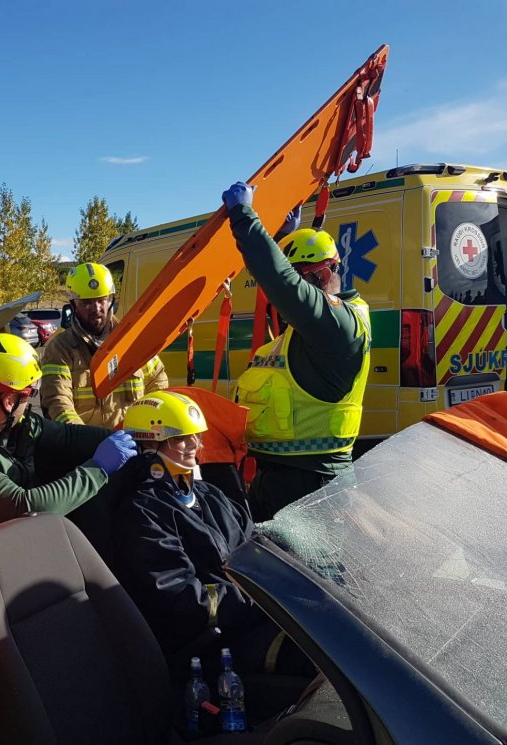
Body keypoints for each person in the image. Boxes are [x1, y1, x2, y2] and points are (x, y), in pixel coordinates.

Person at [113, 392, 311, 692]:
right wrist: (262, 598)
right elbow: (182, 599)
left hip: (253, 620)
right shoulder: (142, 512)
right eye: (181, 439)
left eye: (196, 436)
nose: (195, 445)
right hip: (210, 644)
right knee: (319, 660)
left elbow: (256, 546)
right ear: (149, 446)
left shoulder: (208, 494)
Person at [223, 182, 371, 521]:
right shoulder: (302, 333)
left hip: (315, 484)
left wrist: (244, 218)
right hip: (274, 477)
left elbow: (281, 281)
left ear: (327, 272)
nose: (301, 286)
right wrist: (289, 235)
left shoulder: (340, 326)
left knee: (311, 571)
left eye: (307, 276)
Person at [0, 332, 138, 528]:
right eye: (30, 394)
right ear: (10, 400)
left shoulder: (17, 424)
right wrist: (98, 469)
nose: (28, 404)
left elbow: (69, 437)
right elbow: (24, 507)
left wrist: (139, 438)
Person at [40, 261, 168, 427]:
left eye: (102, 300)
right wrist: (87, 441)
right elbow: (58, 402)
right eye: (87, 303)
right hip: (87, 448)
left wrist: (148, 428)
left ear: (111, 300)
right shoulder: (60, 349)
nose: (96, 308)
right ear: (73, 305)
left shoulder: (132, 341)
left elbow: (157, 383)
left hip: (134, 441)